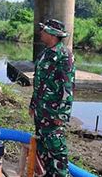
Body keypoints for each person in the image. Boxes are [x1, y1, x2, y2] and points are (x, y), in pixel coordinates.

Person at [29, 19, 75, 177]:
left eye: (44, 30)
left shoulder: (64, 55)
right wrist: (33, 105)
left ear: (53, 35)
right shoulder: (44, 54)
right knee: (42, 149)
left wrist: (62, 114)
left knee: (57, 152)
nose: (40, 33)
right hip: (41, 111)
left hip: (53, 113)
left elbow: (67, 87)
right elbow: (38, 83)